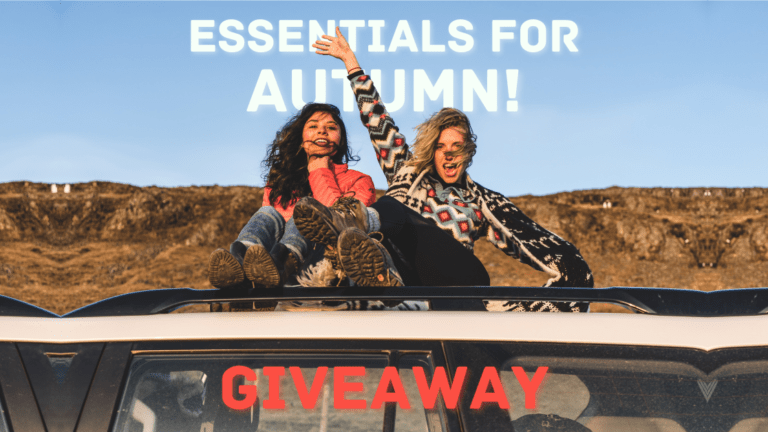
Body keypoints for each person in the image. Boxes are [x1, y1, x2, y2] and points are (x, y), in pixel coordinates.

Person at [293, 28, 593, 312]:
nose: (448, 155)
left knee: (391, 208)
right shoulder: (406, 170)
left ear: (468, 152)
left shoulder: (482, 201)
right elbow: (377, 120)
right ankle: (373, 276)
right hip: (407, 280)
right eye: (441, 147)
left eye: (457, 147)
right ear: (432, 151)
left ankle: (353, 222)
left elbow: (547, 247)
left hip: (455, 281)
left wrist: (517, 309)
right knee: (392, 208)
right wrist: (351, 63)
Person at [207, 103, 377, 289]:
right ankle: (240, 264)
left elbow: (345, 226)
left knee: (304, 212)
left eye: (331, 127)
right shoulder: (281, 181)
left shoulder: (360, 181)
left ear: (341, 140)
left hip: (324, 267)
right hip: (269, 265)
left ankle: (284, 263)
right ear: (301, 139)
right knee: (267, 213)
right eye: (313, 126)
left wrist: (319, 171)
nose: (322, 131)